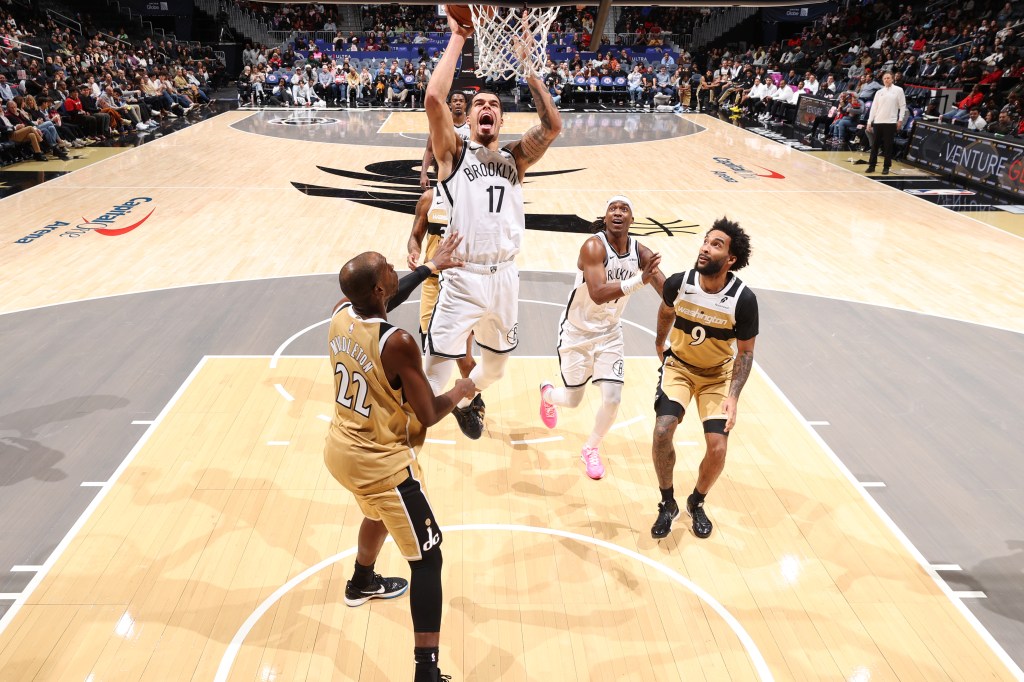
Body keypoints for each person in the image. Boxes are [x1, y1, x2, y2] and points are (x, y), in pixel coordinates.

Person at [324, 237, 475, 682]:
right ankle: (426, 672)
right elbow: (428, 413)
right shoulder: (400, 343)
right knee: (429, 560)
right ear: (377, 290)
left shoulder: (340, 313)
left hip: (341, 448)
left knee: (377, 513)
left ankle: (362, 582)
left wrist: (429, 267)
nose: (394, 269)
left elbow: (389, 298)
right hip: (380, 462)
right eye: (388, 268)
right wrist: (460, 391)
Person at [423, 13, 562, 439]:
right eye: (480, 104)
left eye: (495, 106)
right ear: (468, 120)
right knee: (434, 373)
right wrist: (458, 37)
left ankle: (468, 398)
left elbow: (553, 126)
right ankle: (405, 446)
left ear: (501, 121)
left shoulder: (515, 159)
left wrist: (529, 67)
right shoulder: (455, 154)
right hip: (463, 276)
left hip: (504, 277)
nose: (487, 108)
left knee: (497, 369)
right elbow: (433, 99)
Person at [539, 196, 664, 479]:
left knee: (613, 398)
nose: (618, 212)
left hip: (610, 333)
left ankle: (590, 448)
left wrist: (686, 300)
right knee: (573, 400)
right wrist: (639, 280)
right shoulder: (593, 246)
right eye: (613, 209)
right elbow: (597, 293)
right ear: (605, 218)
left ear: (632, 220)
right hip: (577, 332)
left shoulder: (640, 252)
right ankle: (547, 395)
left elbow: (664, 288)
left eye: (624, 209)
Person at [650, 218, 758, 540]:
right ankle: (667, 503)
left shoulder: (743, 299)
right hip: (680, 368)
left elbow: (745, 353)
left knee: (718, 448)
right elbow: (666, 309)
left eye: (716, 245)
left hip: (717, 376)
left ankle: (696, 502)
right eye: (706, 241)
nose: (705, 248)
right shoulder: (679, 283)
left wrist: (733, 396)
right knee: (662, 431)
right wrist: (659, 342)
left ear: (731, 259)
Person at [407, 187, 478, 383]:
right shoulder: (429, 198)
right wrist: (414, 251)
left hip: (461, 284)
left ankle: (471, 399)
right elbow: (415, 236)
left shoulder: (472, 196)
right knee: (429, 349)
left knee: (465, 360)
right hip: (432, 282)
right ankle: (431, 396)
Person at [865, 72, 906, 175]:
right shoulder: (879, 92)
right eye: (884, 78)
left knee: (888, 146)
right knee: (875, 145)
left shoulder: (898, 90)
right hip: (878, 121)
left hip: (890, 122)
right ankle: (871, 166)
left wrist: (900, 120)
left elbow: (902, 106)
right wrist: (869, 122)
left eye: (888, 78)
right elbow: (873, 108)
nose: (886, 80)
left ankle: (886, 167)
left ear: (892, 79)